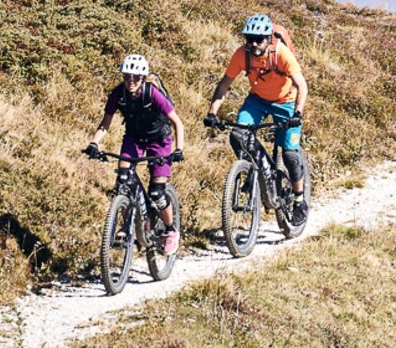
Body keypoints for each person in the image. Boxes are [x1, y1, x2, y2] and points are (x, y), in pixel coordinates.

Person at [87, 53, 188, 254]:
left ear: (143, 78)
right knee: (124, 180)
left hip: (159, 141)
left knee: (157, 193)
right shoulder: (117, 94)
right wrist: (94, 143)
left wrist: (179, 149)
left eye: (135, 77)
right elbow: (105, 124)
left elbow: (177, 122)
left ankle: (170, 230)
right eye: (127, 77)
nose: (130, 81)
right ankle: (127, 224)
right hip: (133, 138)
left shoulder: (153, 94)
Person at [209, 13, 309, 206]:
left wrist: (298, 113)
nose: (253, 44)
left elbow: (302, 86)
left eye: (258, 40)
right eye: (249, 39)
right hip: (257, 100)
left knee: (290, 155)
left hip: (286, 102)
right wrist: (212, 113)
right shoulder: (241, 55)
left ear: (268, 38)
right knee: (238, 135)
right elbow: (223, 85)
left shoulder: (281, 54)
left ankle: (299, 199)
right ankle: (258, 167)